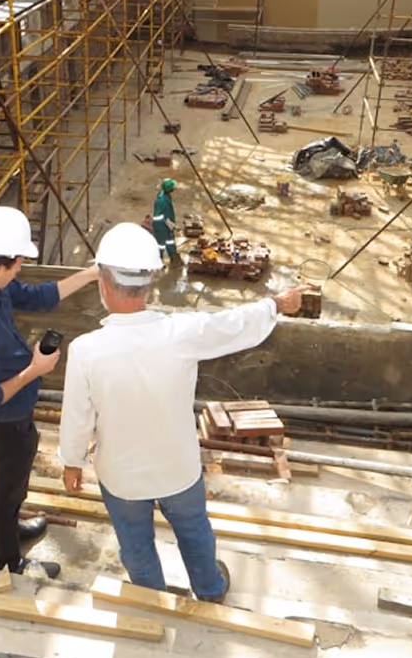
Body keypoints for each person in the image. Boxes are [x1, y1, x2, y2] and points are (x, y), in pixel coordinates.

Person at [59, 222, 303, 602]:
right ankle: (209, 589)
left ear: (102, 282)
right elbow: (235, 325)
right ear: (150, 282)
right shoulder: (181, 333)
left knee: (135, 544)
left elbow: (77, 417)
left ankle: (150, 597)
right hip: (179, 468)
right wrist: (276, 303)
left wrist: (71, 462)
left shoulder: (86, 349)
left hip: (121, 475)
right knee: (194, 530)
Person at [0, 206, 99, 578]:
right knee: (3, 488)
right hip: (0, 421)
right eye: (17, 264)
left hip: (16, 415)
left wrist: (91, 275)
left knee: (12, 482)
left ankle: (12, 529)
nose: (20, 270)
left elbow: (38, 297)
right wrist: (35, 370)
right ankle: (7, 560)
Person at [152, 177, 178, 262]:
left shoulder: (164, 196)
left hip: (164, 223)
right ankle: (158, 260)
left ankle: (173, 256)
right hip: (161, 225)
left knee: (170, 241)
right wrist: (169, 223)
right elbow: (159, 216)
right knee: (161, 244)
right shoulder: (163, 201)